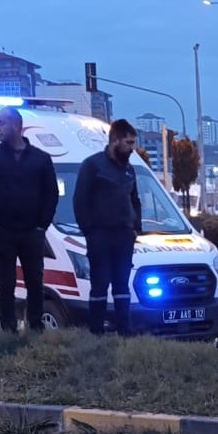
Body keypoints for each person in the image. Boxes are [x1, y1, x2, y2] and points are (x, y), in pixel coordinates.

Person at [0, 106, 59, 333]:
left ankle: (35, 326)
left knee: (34, 280)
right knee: (6, 282)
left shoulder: (41, 158)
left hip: (32, 231)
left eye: (1, 123)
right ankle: (8, 328)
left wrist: (42, 224)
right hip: (3, 230)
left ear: (16, 125)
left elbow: (51, 193)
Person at [73, 119, 142, 336]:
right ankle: (96, 331)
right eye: (128, 143)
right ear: (115, 140)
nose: (132, 148)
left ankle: (125, 330)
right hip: (100, 235)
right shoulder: (92, 166)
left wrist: (136, 228)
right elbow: (79, 200)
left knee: (122, 285)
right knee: (100, 284)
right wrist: (89, 231)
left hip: (124, 235)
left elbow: (135, 199)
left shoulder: (130, 169)